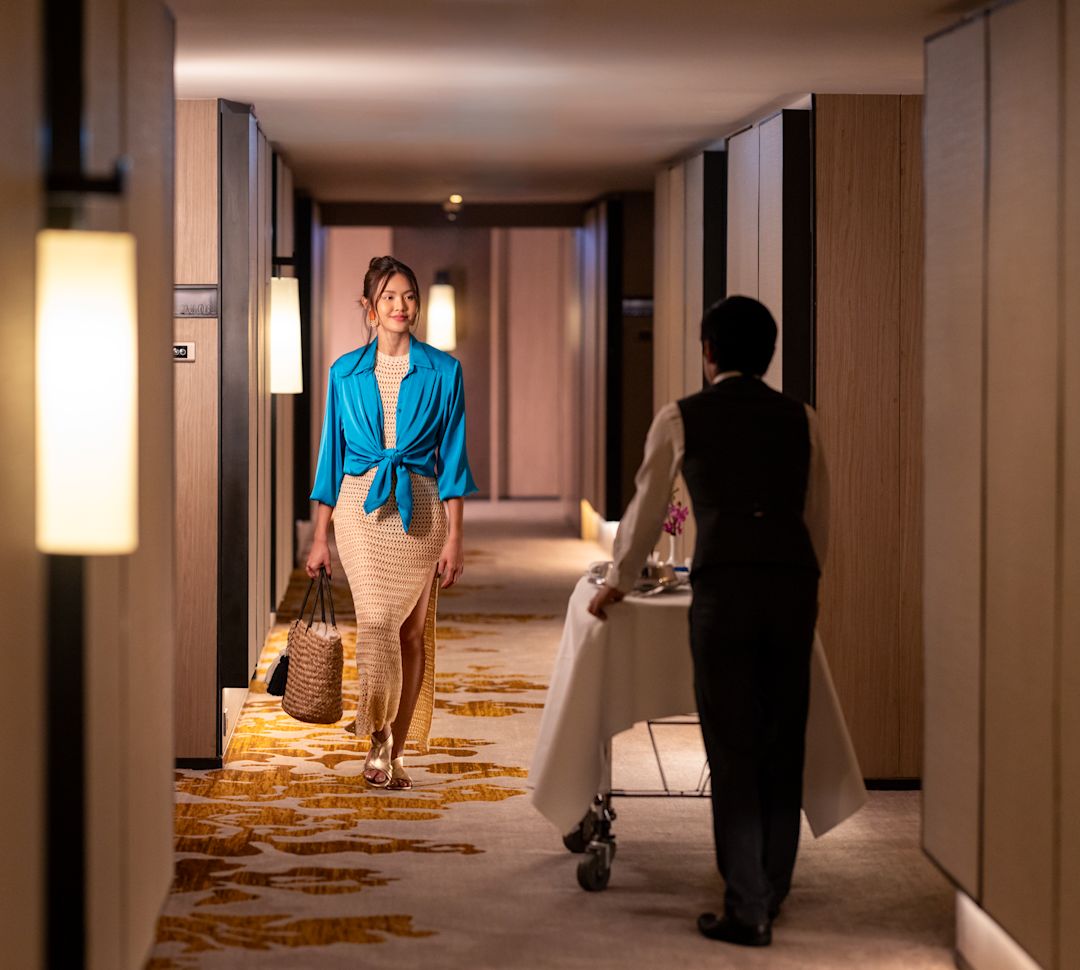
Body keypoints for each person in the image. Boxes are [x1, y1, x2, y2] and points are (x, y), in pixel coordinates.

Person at [588, 295, 828, 947]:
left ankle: (748, 903)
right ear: (770, 355)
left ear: (708, 351)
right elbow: (816, 515)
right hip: (791, 584)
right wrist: (809, 585)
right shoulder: (799, 418)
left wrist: (616, 581)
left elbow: (642, 513)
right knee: (783, 740)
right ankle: (771, 888)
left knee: (733, 743)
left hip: (724, 586)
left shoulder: (682, 415)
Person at [308, 255, 478, 791]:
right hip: (359, 509)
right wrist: (319, 537)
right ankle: (376, 730)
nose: (400, 306)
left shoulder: (444, 371)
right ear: (369, 308)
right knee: (379, 621)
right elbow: (330, 458)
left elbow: (453, 460)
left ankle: (396, 750)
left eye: (408, 296)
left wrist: (455, 535)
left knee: (410, 633)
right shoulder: (344, 372)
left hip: (421, 509)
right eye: (388, 297)